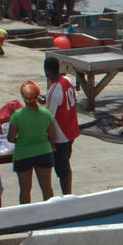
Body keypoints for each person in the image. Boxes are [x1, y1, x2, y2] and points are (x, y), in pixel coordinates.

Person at [7, 80, 57, 204]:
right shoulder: (46, 114)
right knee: (46, 187)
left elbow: (11, 138)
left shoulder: (17, 115)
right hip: (44, 152)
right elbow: (53, 136)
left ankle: (25, 214)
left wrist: (22, 140)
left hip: (23, 154)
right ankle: (51, 212)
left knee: (25, 189)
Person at [43, 55, 80, 195]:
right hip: (71, 130)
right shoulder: (68, 80)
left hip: (61, 134)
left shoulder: (53, 90)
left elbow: (48, 117)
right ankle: (67, 193)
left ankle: (67, 194)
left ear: (47, 71)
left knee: (62, 167)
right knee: (65, 163)